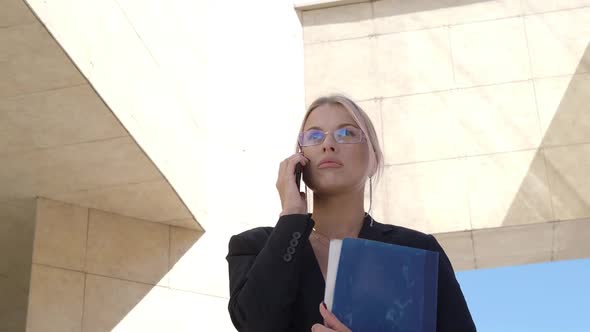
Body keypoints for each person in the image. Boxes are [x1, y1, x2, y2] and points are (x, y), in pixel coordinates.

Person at [226, 94, 476, 332]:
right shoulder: (254, 246)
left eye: (346, 133)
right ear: (299, 160)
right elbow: (255, 325)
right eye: (314, 136)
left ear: (374, 160)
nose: (328, 144)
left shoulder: (419, 251)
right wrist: (291, 215)